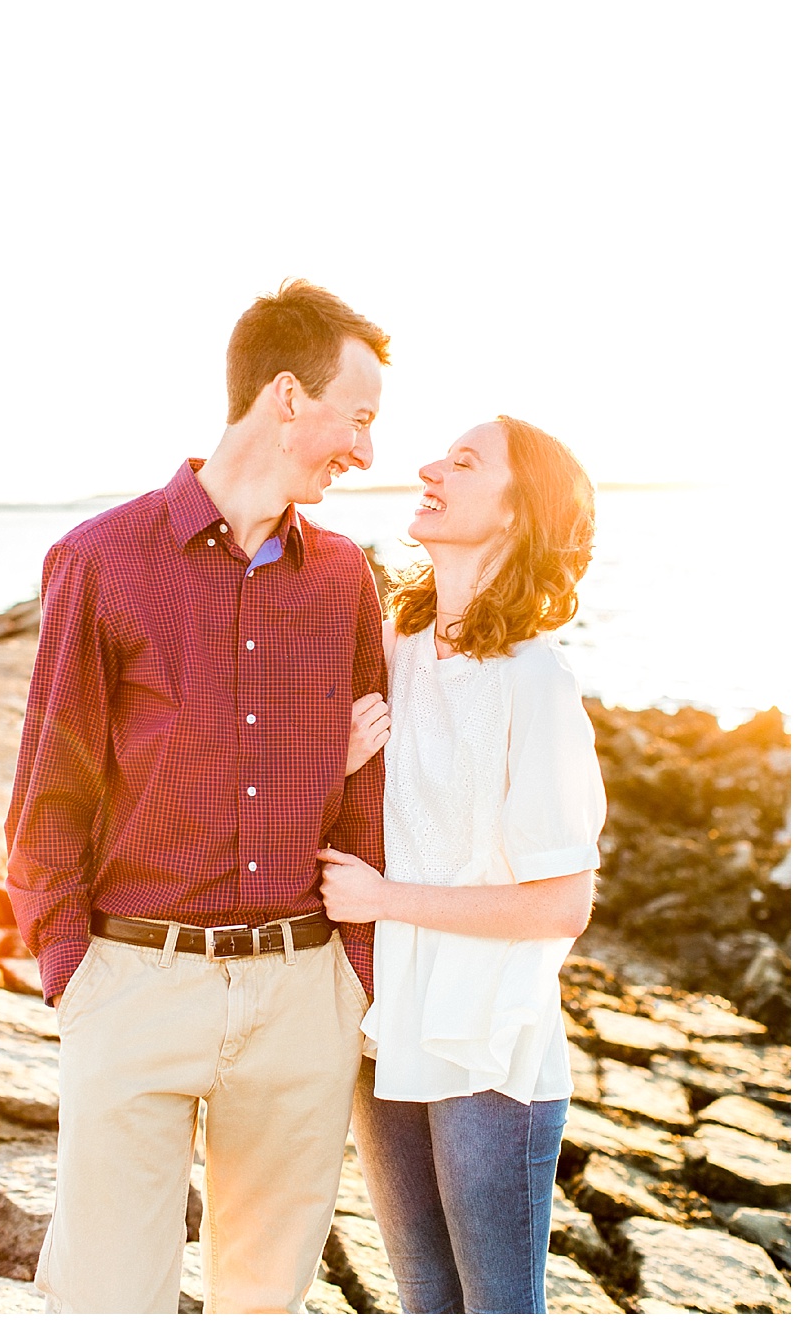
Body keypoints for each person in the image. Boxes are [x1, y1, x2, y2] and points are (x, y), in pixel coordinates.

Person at [4, 279, 390, 1313]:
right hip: (135, 983)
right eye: (358, 417)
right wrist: (73, 973)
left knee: (263, 1303)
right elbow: (50, 791)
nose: (366, 449)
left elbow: (366, 801)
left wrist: (353, 976)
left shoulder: (345, 579)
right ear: (286, 398)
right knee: (109, 1298)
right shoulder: (101, 561)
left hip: (302, 991)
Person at [318, 415, 604, 1314]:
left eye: (465, 462)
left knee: (499, 1310)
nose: (430, 468)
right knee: (425, 1304)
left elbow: (561, 904)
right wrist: (337, 764)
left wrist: (383, 899)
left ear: (517, 513)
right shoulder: (392, 645)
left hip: (486, 1042)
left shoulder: (535, 681)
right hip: (385, 1026)